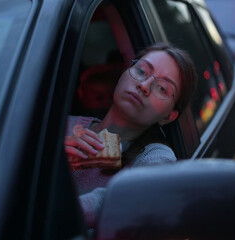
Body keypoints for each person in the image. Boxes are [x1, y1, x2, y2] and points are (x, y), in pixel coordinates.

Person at [64, 42, 197, 228]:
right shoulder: (61, 125)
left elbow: (123, 200)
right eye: (141, 71)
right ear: (123, 74)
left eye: (162, 88)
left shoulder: (155, 157)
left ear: (168, 116)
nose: (144, 86)